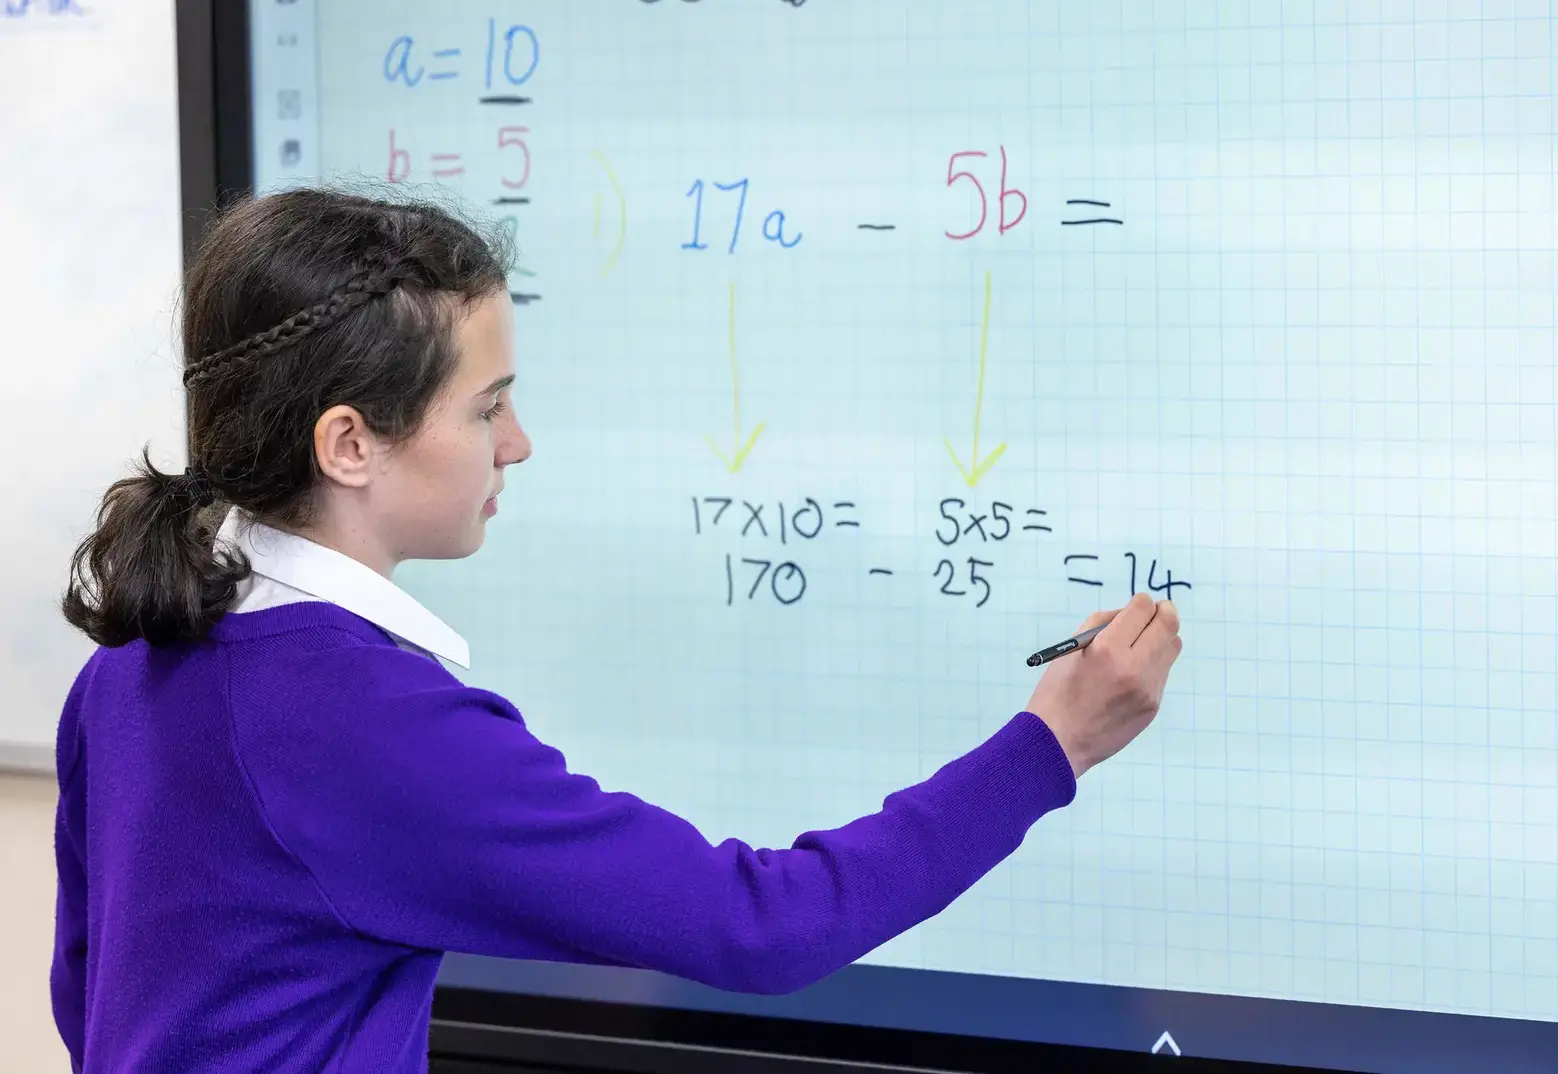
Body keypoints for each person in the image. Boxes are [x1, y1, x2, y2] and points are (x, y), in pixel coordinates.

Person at [51, 188, 1183, 1073]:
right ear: (350, 444)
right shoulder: (361, 720)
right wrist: (1053, 745)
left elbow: (88, 991)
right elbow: (761, 926)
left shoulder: (139, 658)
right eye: (485, 407)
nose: (518, 443)